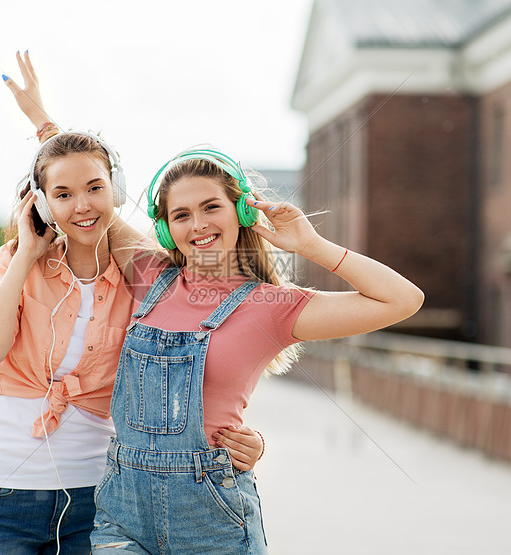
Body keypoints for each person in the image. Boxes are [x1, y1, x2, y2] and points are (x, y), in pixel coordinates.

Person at [0, 53, 264, 555]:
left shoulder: (143, 277)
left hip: (98, 499)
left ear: (115, 191)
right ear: (41, 202)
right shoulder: (14, 261)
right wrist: (28, 252)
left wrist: (246, 440)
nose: (82, 205)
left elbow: (208, 358)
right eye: (63, 194)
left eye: (96, 188)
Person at [89, 149, 425, 553]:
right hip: (122, 510)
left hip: (210, 516)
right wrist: (42, 124)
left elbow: (403, 300)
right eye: (181, 215)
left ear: (242, 213)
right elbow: (86, 191)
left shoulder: (274, 307)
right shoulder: (149, 275)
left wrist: (312, 245)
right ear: (165, 230)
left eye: (211, 207)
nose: (198, 225)